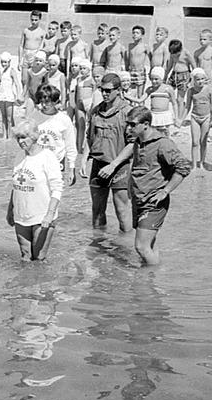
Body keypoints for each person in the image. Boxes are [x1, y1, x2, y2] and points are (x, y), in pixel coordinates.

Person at [100, 106, 191, 265]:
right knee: (149, 244)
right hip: (139, 199)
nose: (129, 128)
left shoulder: (163, 144)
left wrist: (165, 190)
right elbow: (135, 159)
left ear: (146, 124)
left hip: (154, 202)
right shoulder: (138, 142)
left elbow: (184, 167)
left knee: (141, 247)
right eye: (128, 124)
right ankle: (151, 279)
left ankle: (146, 281)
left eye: (133, 125)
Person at [6, 120, 63, 262]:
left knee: (38, 258)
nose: (20, 141)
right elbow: (16, 185)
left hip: (41, 215)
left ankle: (43, 283)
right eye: (18, 137)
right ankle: (25, 283)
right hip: (21, 215)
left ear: (34, 137)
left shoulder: (47, 157)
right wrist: (10, 210)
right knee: (25, 257)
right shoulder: (20, 157)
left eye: (23, 137)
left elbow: (57, 188)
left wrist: (49, 215)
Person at [86, 73, 132, 232]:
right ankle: (99, 248)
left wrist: (113, 165)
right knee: (97, 211)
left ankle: (125, 249)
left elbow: (133, 144)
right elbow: (89, 136)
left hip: (120, 166)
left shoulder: (127, 112)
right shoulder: (95, 112)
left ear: (118, 90)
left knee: (122, 210)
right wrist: (84, 160)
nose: (104, 94)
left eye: (108, 90)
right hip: (98, 165)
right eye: (101, 90)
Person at [33, 83, 77, 186]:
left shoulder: (64, 119)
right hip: (37, 162)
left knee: (54, 195)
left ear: (55, 101)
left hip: (57, 164)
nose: (44, 105)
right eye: (41, 102)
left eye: (47, 102)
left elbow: (70, 145)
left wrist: (72, 168)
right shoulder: (34, 117)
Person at [185, 68, 212, 169]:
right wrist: (181, 119)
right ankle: (194, 164)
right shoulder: (191, 91)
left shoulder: (209, 89)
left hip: (206, 117)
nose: (200, 81)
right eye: (198, 79)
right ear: (193, 80)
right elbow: (187, 106)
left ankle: (202, 162)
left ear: (205, 79)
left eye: (202, 79)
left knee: (203, 141)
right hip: (194, 117)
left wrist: (211, 120)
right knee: (195, 142)